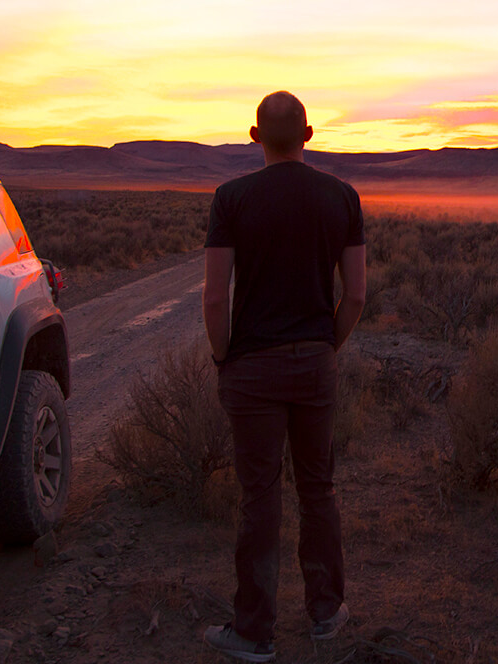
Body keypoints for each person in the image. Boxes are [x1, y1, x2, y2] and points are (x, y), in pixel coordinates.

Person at [201, 90, 367, 663]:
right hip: (314, 363)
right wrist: (326, 346)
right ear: (309, 134)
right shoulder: (342, 197)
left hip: (251, 369)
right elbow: (357, 294)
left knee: (260, 496)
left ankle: (254, 632)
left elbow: (213, 295)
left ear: (254, 136)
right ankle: (326, 613)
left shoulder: (232, 198)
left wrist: (224, 358)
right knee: (318, 488)